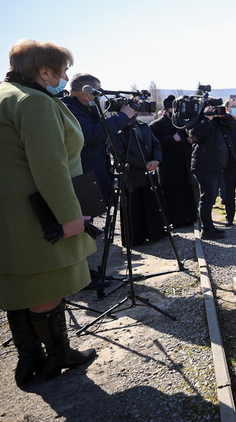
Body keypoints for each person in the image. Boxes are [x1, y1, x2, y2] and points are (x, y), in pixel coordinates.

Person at [1, 39, 96, 387]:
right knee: (46, 287)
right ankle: (58, 356)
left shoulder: (4, 95)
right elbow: (49, 166)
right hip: (37, 215)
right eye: (62, 71)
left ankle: (28, 361)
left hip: (9, 215)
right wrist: (70, 217)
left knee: (20, 288)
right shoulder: (34, 102)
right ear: (44, 72)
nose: (65, 77)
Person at [61, 73, 136, 201]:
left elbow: (101, 133)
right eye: (97, 92)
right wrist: (122, 117)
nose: (100, 96)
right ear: (85, 93)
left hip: (95, 171)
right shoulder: (68, 109)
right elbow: (91, 134)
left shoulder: (88, 109)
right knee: (84, 216)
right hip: (81, 174)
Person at [188, 103, 236, 239]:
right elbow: (194, 136)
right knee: (207, 199)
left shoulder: (220, 121)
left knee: (211, 199)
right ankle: (207, 230)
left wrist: (224, 115)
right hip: (204, 166)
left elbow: (234, 126)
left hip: (216, 166)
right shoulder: (199, 120)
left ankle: (209, 226)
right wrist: (207, 118)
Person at [113, 119, 165, 246]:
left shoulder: (143, 126)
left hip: (149, 176)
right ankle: (136, 238)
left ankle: (154, 233)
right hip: (132, 176)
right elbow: (120, 153)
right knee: (134, 209)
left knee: (151, 205)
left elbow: (156, 144)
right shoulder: (118, 130)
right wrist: (144, 164)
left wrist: (156, 160)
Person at [149, 96, 198, 228]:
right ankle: (174, 221)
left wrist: (189, 140)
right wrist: (171, 139)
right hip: (168, 168)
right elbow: (154, 145)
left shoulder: (182, 124)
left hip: (184, 166)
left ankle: (189, 218)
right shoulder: (155, 126)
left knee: (185, 194)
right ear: (166, 110)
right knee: (172, 197)